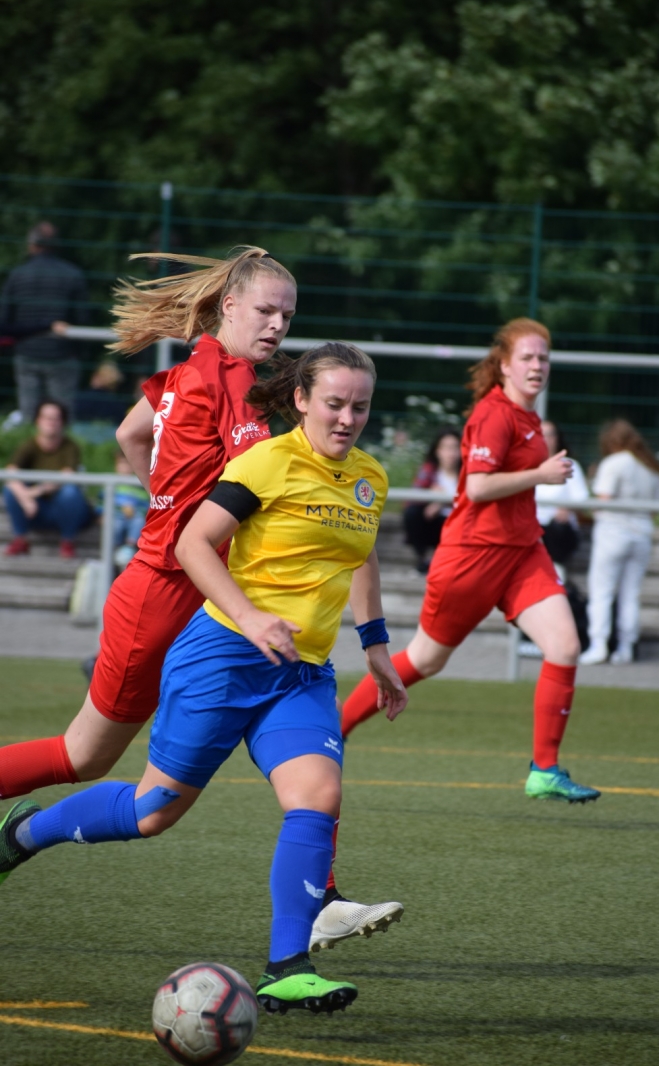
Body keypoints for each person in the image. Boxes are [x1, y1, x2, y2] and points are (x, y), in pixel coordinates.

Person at [0, 246, 401, 949]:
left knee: (307, 761)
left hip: (209, 590)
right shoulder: (235, 381)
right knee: (85, 756)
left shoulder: (195, 368)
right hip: (165, 593)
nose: (277, 326)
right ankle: (22, 834)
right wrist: (179, 522)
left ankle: (322, 899)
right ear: (229, 306)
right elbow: (263, 473)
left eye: (288, 316)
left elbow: (131, 433)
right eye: (266, 311)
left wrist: (166, 502)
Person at [341, 318, 601, 803]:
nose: (537, 366)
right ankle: (336, 728)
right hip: (472, 556)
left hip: (523, 552)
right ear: (504, 365)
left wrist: (539, 476)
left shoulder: (528, 417)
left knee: (565, 646)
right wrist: (541, 475)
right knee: (426, 659)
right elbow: (478, 487)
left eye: (544, 358)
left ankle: (544, 771)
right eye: (527, 357)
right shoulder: (493, 413)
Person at [579, 419, 659, 666]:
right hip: (642, 534)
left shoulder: (614, 463)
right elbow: (654, 511)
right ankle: (626, 648)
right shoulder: (651, 467)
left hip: (613, 532)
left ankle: (598, 645)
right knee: (631, 595)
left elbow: (603, 500)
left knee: (601, 591)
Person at [0, 222, 90, 422]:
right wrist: (78, 352)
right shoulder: (72, 274)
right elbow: (82, 318)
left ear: (32, 244)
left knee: (29, 414)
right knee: (62, 416)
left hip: (26, 353)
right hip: (62, 353)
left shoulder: (17, 275)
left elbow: (5, 319)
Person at [3, 399, 95, 558]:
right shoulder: (28, 446)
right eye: (46, 417)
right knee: (11, 489)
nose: (51, 422)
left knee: (69, 492)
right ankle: (20, 538)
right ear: (38, 420)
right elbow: (11, 472)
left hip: (62, 509)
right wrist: (25, 498)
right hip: (34, 509)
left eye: (55, 418)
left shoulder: (70, 447)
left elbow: (67, 476)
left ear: (63, 422)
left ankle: (67, 540)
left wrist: (33, 493)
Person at [402, 428, 461, 572]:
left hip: (458, 523)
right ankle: (424, 557)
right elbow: (412, 499)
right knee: (412, 513)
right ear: (437, 450)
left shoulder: (467, 472)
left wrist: (441, 501)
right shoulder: (428, 470)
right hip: (434, 524)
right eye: (446, 448)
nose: (451, 453)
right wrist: (431, 499)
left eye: (455, 447)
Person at [534, 420, 589, 574]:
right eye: (542, 435)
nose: (546, 440)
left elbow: (582, 500)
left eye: (550, 435)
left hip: (556, 532)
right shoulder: (527, 465)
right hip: (532, 528)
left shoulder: (569, 465)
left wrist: (567, 508)